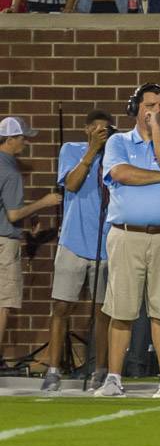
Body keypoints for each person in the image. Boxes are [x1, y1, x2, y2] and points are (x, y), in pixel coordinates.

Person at [93, 85, 160, 399]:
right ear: (134, 107)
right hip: (126, 234)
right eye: (149, 105)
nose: (155, 110)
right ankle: (113, 378)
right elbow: (122, 174)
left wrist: (157, 130)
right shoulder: (118, 141)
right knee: (121, 309)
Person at [40, 111, 113, 392]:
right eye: (95, 129)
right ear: (86, 130)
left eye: (105, 130)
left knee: (102, 311)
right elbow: (71, 184)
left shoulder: (115, 156)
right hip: (72, 241)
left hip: (104, 245)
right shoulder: (71, 150)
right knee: (61, 306)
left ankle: (101, 370)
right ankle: (54, 369)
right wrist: (92, 151)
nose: (100, 134)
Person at [0, 117, 63, 368]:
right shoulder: (10, 172)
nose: (25, 142)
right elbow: (13, 215)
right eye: (22, 138)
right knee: (3, 304)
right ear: (11, 139)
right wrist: (44, 203)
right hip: (4, 243)